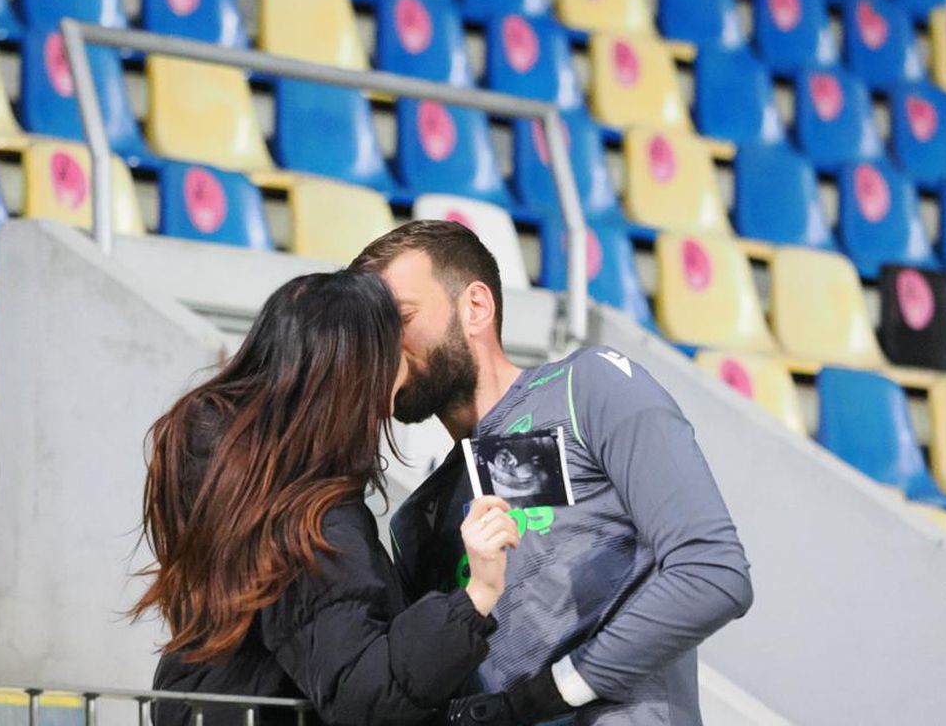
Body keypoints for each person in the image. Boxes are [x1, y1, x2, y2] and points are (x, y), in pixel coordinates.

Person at [351, 221, 755, 726]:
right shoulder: (417, 520)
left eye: (401, 318)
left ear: (475, 307)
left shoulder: (586, 387)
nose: (383, 347)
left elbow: (712, 572)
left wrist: (549, 693)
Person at [135, 271, 522, 725]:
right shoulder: (311, 521)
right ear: (361, 377)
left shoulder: (231, 477)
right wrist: (476, 596)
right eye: (393, 351)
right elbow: (365, 692)